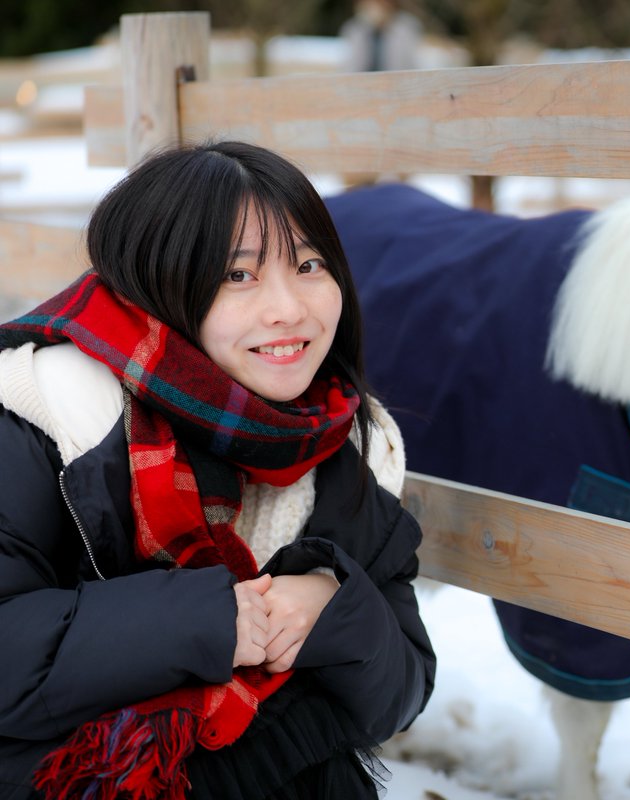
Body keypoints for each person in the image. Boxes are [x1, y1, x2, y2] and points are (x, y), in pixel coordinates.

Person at [0, 141, 436, 800]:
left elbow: (399, 693)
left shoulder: (342, 441)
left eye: (310, 264)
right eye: (239, 275)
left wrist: (335, 608)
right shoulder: (50, 414)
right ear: (159, 283)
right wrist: (205, 623)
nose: (289, 309)